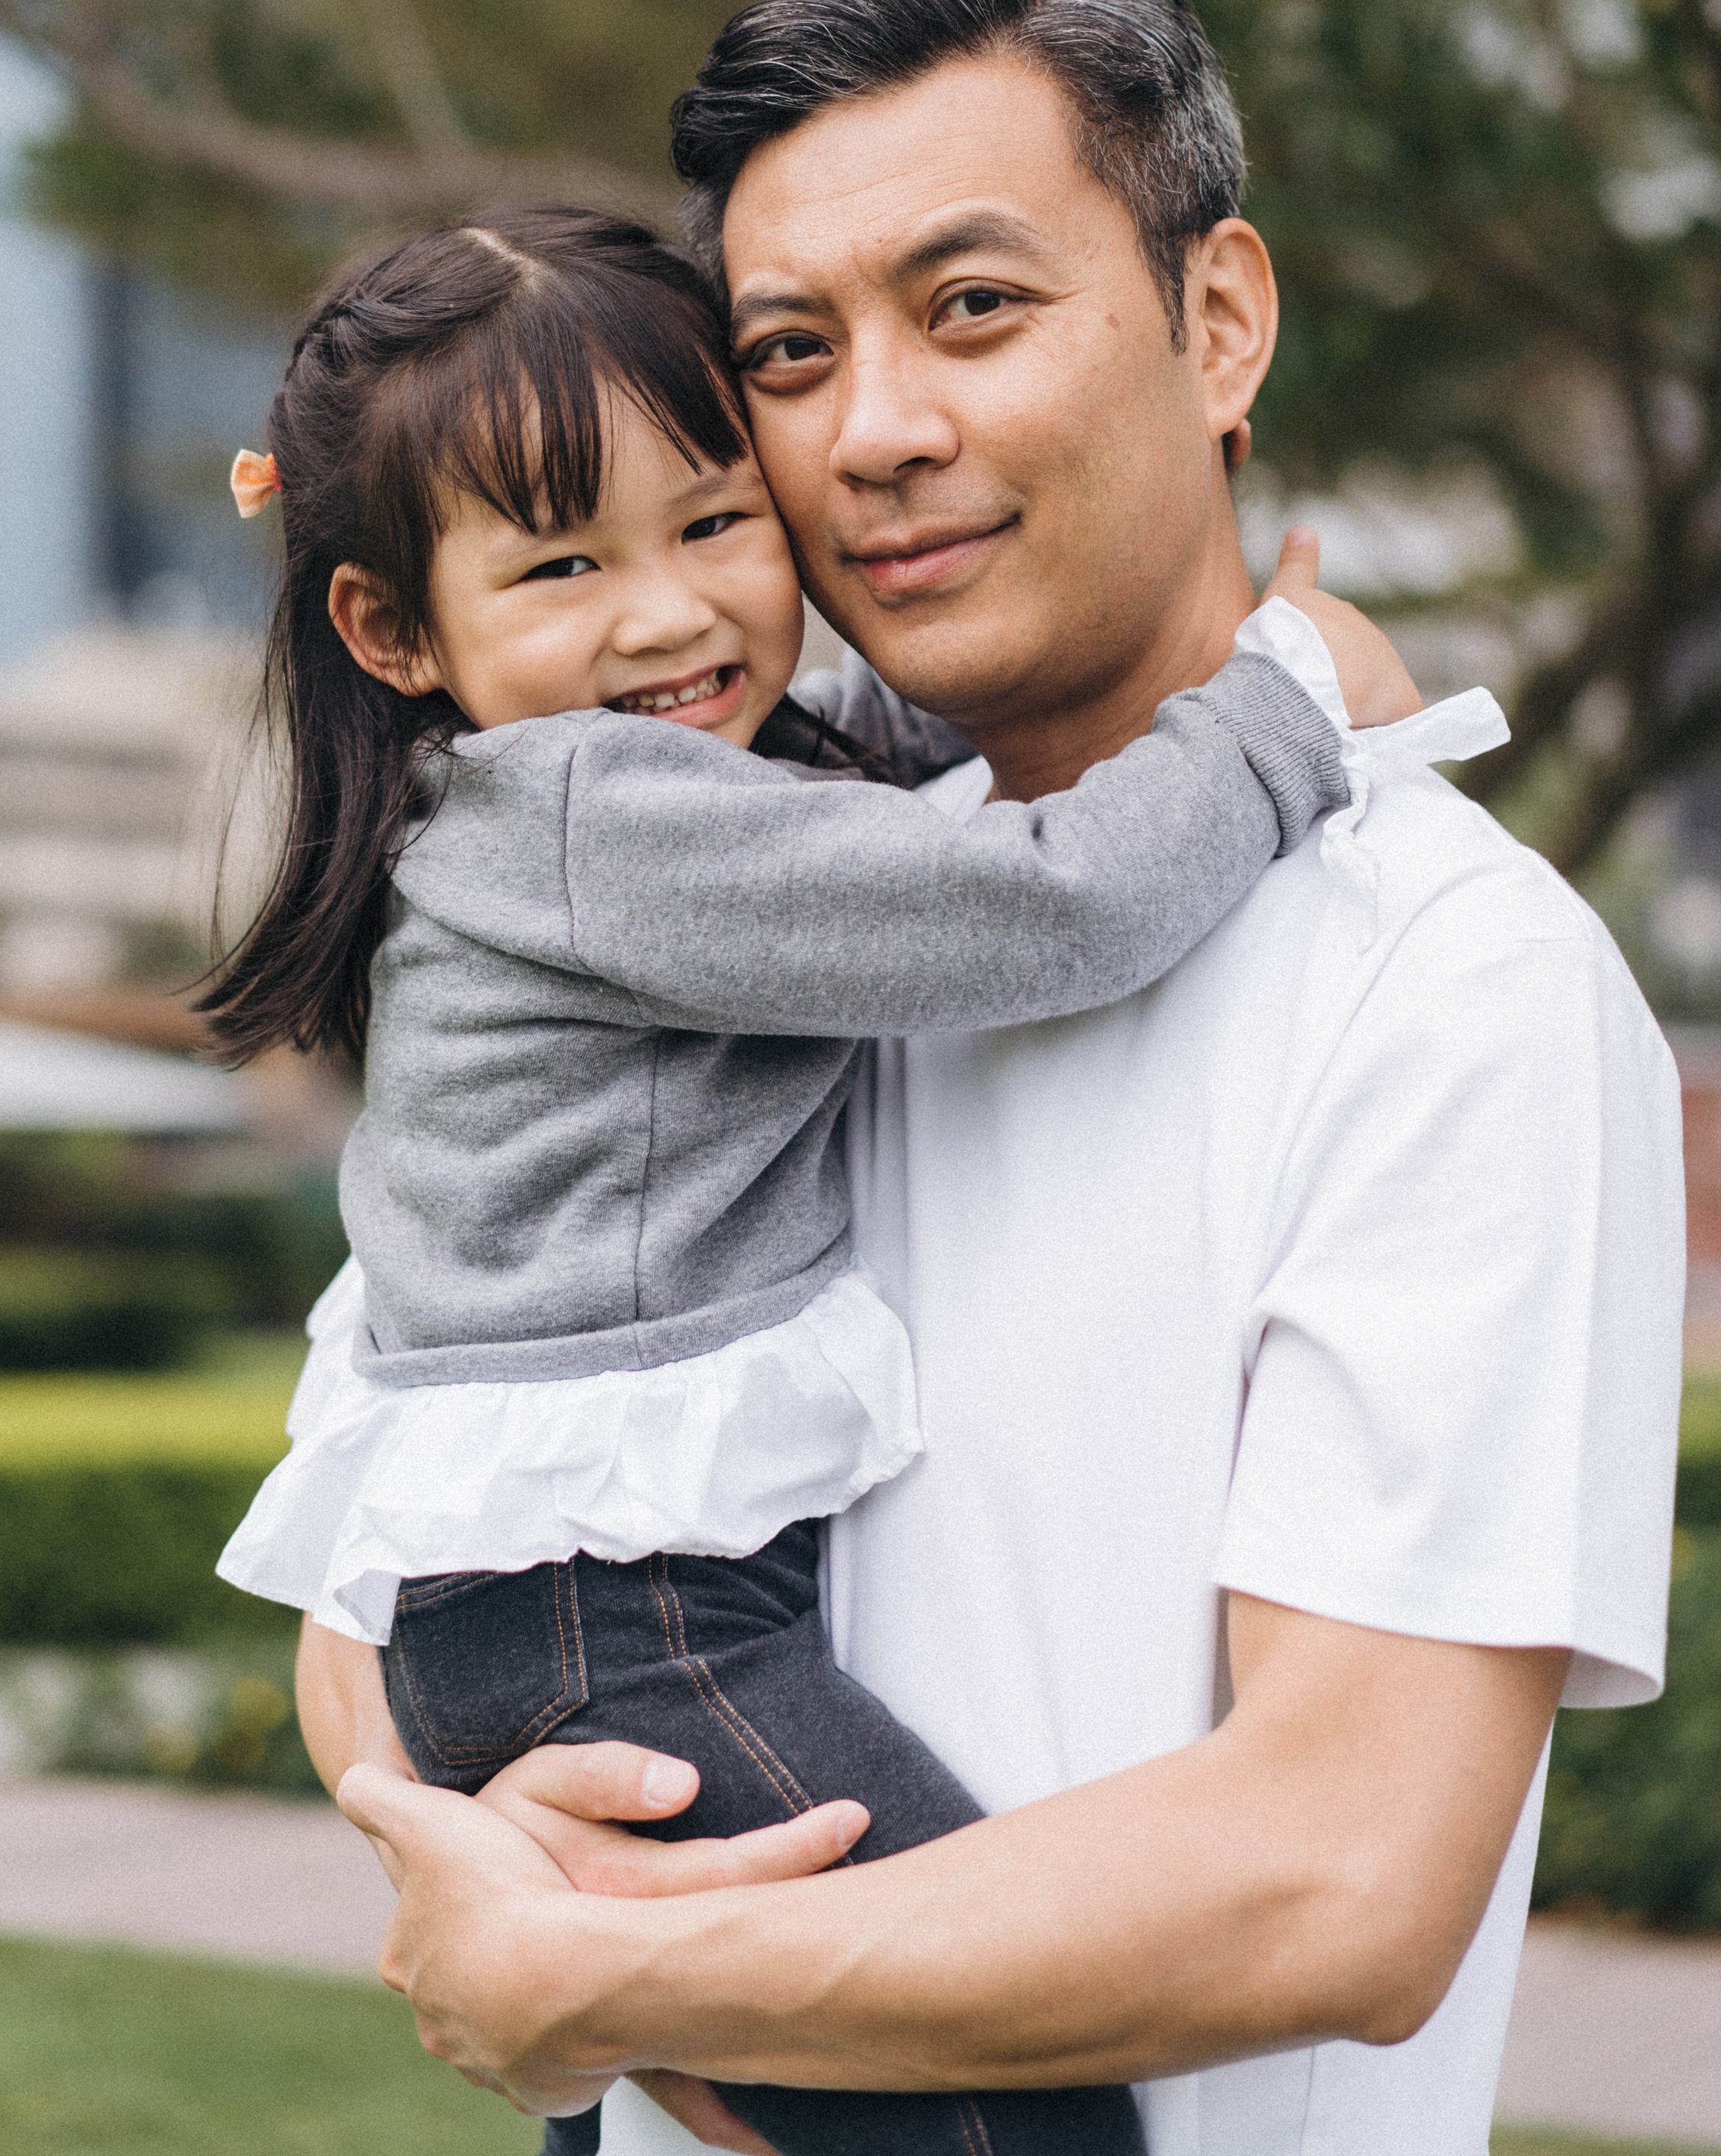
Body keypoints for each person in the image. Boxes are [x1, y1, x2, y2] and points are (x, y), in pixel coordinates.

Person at [317, 0, 1686, 2156]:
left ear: (1216, 319)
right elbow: (378, 1538)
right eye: (788, 351)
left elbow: (1339, 1876)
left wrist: (597, 1962)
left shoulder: (1447, 982)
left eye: (973, 307)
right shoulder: (729, 886)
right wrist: (443, 1818)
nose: (881, 432)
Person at [205, 201, 1416, 2156]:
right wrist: (1273, 704)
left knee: (753, 2101)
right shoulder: (603, 811)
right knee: (1020, 2125)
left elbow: (898, 743)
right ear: (394, 631)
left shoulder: (609, 783)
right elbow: (1055, 905)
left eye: (712, 524)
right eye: (564, 564)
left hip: (584, 1616)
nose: (667, 614)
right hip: (632, 1618)